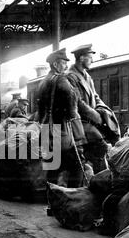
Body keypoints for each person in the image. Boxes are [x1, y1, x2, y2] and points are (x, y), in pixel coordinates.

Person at [37, 48, 87, 188]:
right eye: (64, 63)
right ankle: (72, 198)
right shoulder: (61, 80)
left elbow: (40, 112)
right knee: (77, 166)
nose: (66, 67)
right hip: (61, 133)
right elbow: (72, 109)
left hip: (46, 131)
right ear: (55, 65)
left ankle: (52, 202)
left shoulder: (43, 83)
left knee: (52, 170)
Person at [67, 44, 111, 174]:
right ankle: (97, 179)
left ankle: (95, 177)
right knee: (101, 146)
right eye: (90, 57)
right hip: (80, 122)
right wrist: (96, 115)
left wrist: (104, 110)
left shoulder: (86, 76)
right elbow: (78, 102)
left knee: (103, 146)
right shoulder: (71, 77)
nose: (92, 60)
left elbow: (95, 96)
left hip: (90, 121)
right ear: (81, 58)